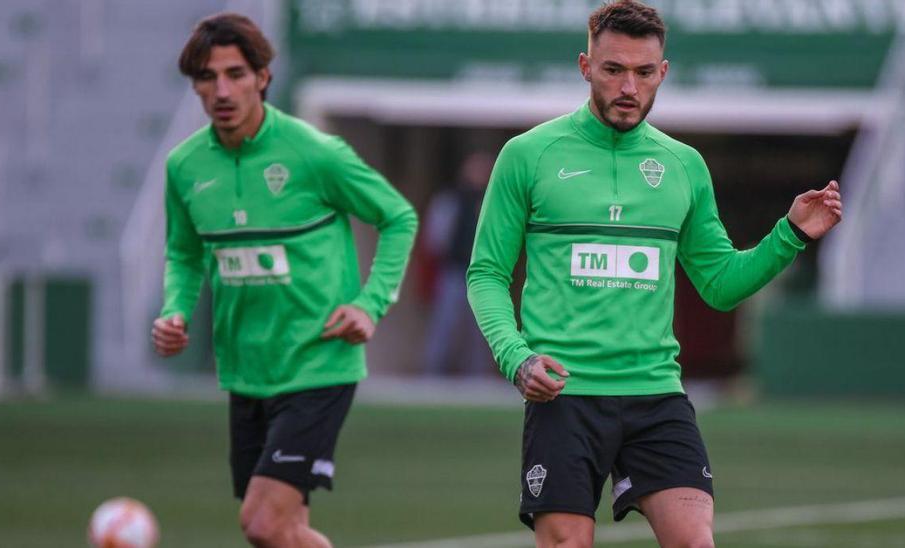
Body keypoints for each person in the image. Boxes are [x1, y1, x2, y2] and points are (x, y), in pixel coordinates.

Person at [466, 2, 842, 546]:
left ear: (662, 72)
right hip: (565, 398)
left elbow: (719, 284)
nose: (629, 86)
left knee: (695, 540)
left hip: (656, 395)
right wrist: (516, 357)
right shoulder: (527, 155)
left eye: (644, 73)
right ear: (584, 66)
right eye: (613, 69)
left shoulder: (684, 165)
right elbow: (486, 273)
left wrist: (791, 234)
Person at [150, 13, 417, 547]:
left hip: (318, 363)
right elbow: (183, 253)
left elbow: (398, 216)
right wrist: (174, 309)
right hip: (247, 369)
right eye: (207, 77)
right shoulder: (184, 166)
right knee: (281, 533)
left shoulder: (313, 152)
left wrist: (370, 304)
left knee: (262, 522)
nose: (221, 89)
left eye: (235, 73)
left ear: (263, 77)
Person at [421, 152, 495, 377]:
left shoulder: (490, 200)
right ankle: (432, 374)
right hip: (453, 270)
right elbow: (434, 237)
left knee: (481, 327)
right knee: (444, 323)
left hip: (481, 273)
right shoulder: (451, 199)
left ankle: (478, 376)